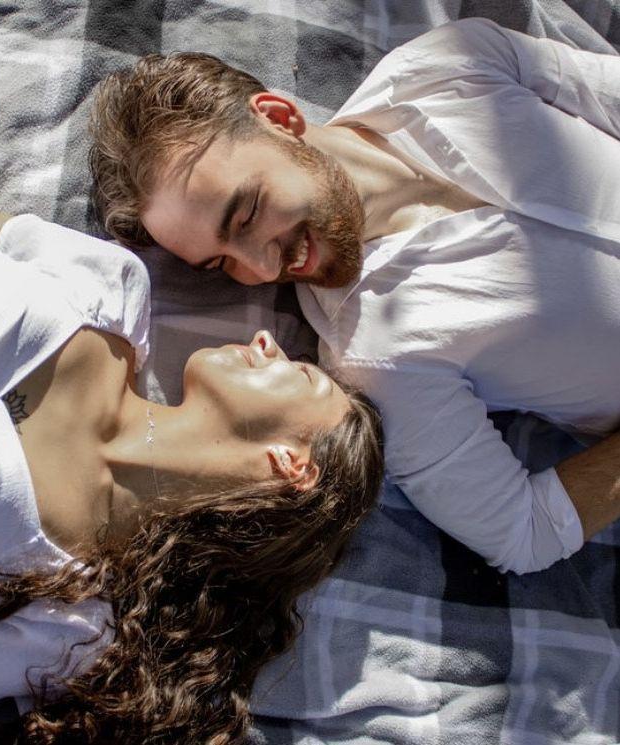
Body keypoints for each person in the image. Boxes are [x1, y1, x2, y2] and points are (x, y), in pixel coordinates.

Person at [0, 144, 384, 745]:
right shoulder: (112, 286)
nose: (267, 341)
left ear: (291, 466)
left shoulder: (71, 620)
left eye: (301, 374)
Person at [89, 17, 620, 575]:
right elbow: (521, 532)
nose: (263, 268)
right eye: (222, 263)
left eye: (246, 215)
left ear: (279, 119)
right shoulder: (378, 357)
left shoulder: (447, 64)